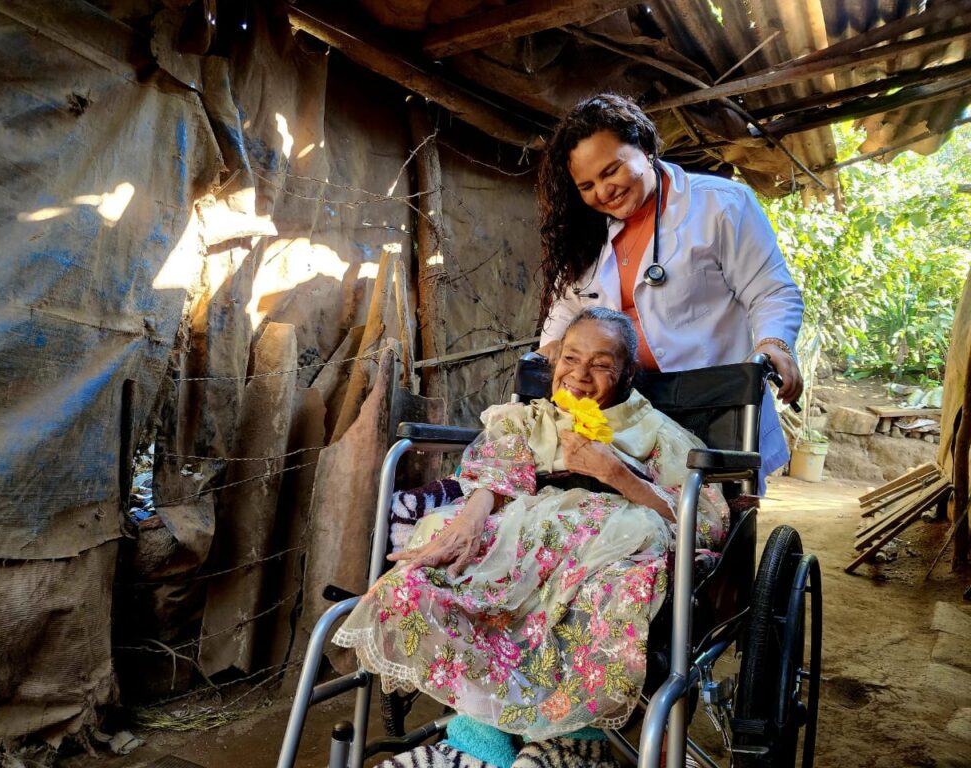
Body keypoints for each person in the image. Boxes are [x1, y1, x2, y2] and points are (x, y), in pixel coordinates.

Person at [333, 308, 728, 751]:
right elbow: (493, 478)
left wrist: (617, 474)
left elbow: (703, 522)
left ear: (627, 374)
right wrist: (467, 523)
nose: (579, 376)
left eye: (600, 364)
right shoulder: (527, 421)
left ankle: (569, 738)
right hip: (525, 536)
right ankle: (485, 731)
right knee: (416, 583)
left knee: (614, 588)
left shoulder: (655, 432)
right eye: (570, 358)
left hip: (615, 539)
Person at [537, 93, 804, 491]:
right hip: (622, 408)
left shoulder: (720, 205)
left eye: (612, 171)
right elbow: (569, 303)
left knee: (707, 512)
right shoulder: (587, 230)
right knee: (622, 506)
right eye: (587, 185)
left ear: (645, 146)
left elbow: (770, 289)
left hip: (711, 406)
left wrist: (774, 343)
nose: (604, 192)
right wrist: (550, 347)